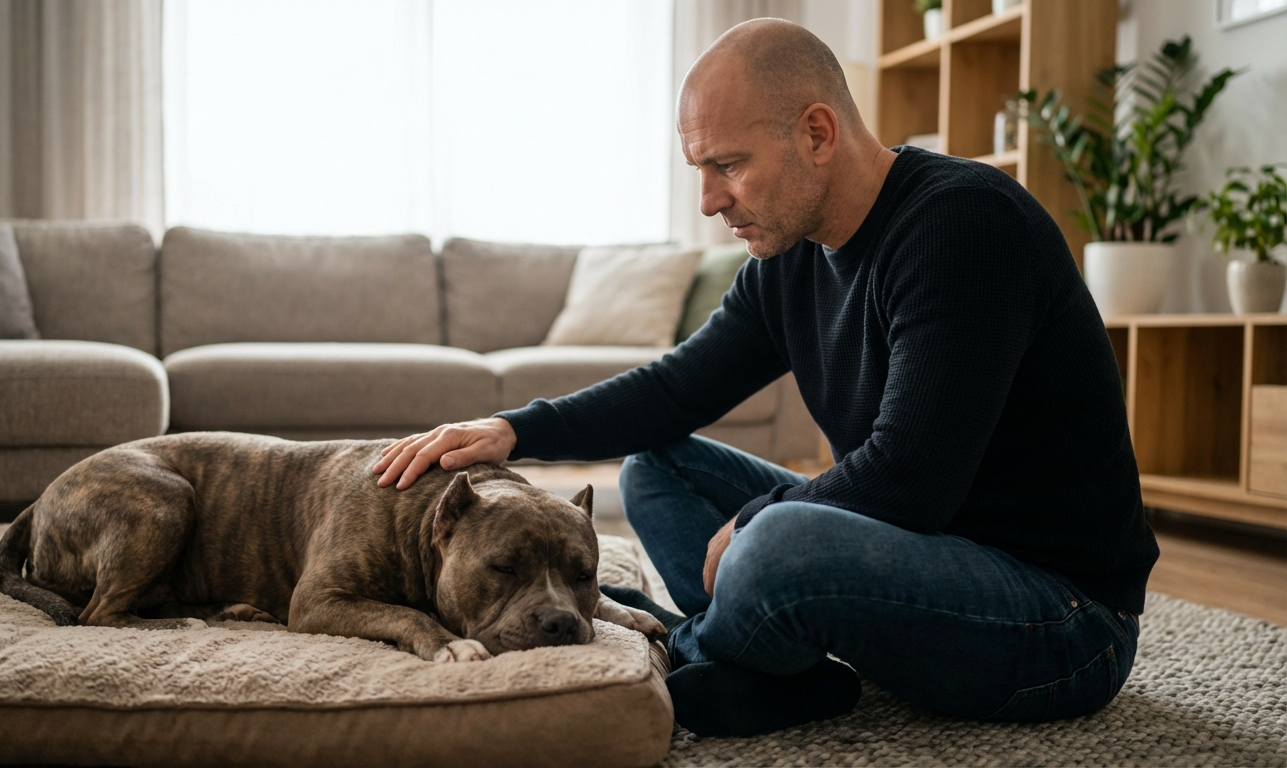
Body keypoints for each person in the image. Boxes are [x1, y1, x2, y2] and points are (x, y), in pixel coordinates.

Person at [373, 18, 1158, 737]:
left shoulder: (962, 225)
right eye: (701, 170)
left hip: (1062, 620)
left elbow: (912, 479)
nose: (710, 200)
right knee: (658, 466)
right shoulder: (791, 259)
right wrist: (514, 430)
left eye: (729, 165)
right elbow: (675, 391)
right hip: (922, 554)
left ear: (817, 132)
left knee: (779, 541)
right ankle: (759, 661)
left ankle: (690, 650)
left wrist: (757, 520)